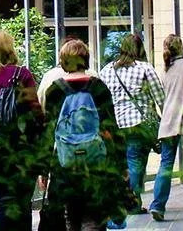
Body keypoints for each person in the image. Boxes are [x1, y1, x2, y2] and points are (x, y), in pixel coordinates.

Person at [41, 39, 127, 231]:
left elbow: (47, 133)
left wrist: (43, 170)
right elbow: (112, 129)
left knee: (71, 218)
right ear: (85, 59)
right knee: (95, 218)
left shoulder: (55, 90)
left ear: (64, 61)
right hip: (96, 166)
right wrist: (121, 164)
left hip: (65, 166)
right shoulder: (98, 87)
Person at [0, 30, 43, 231]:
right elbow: (36, 112)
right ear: (10, 49)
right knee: (22, 203)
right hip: (20, 145)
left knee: (0, 203)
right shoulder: (22, 74)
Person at [99, 32, 165, 214]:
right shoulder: (144, 69)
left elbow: (101, 99)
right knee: (136, 164)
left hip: (115, 125)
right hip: (139, 124)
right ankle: (131, 203)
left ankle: (128, 201)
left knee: (124, 165)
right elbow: (160, 98)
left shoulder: (107, 70)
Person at [149, 34, 183, 222]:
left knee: (166, 165)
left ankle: (157, 205)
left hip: (168, 121)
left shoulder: (166, 70)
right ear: (181, 46)